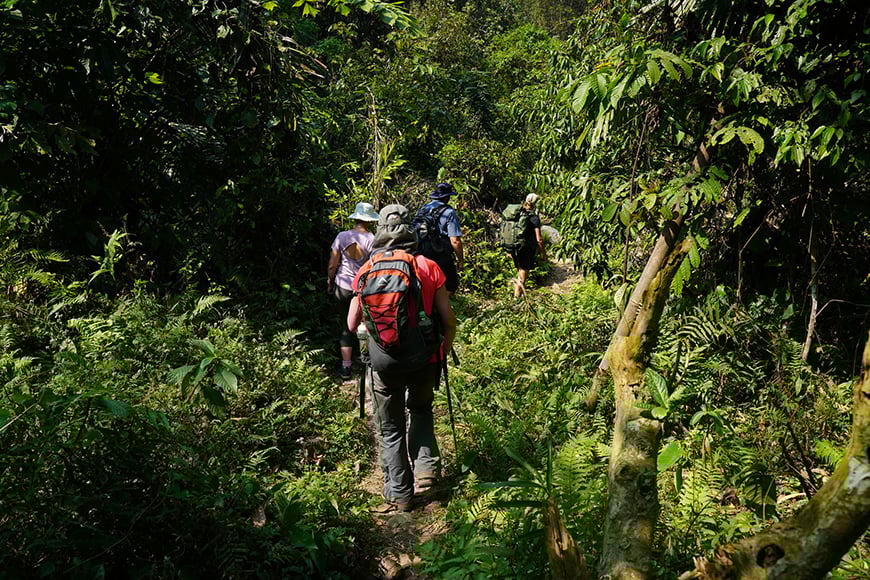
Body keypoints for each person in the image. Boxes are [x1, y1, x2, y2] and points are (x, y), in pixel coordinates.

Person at [348, 204, 457, 513]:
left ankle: (401, 495)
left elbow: (351, 323)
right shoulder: (428, 266)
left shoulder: (366, 270)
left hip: (383, 363)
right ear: (411, 230)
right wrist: (442, 349)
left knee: (391, 426)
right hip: (424, 357)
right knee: (420, 409)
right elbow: (448, 320)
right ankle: (425, 472)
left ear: (380, 231)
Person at [327, 202, 380, 379]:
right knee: (365, 324)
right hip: (362, 288)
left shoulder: (342, 236)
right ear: (369, 220)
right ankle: (366, 361)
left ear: (356, 218)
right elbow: (374, 266)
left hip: (342, 286)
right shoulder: (373, 239)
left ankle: (346, 367)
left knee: (345, 326)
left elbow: (333, 264)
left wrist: (330, 281)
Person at [414, 182, 464, 295]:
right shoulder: (449, 212)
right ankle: (441, 309)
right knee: (450, 286)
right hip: (441, 254)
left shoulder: (423, 209)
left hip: (421, 252)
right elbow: (455, 240)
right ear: (446, 196)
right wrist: (460, 260)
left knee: (426, 283)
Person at [510, 193, 548, 298]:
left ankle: (517, 296)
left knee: (520, 271)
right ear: (535, 204)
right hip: (525, 249)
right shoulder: (534, 218)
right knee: (523, 274)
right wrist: (544, 254)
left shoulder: (517, 214)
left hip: (514, 247)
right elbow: (539, 239)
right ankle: (516, 299)